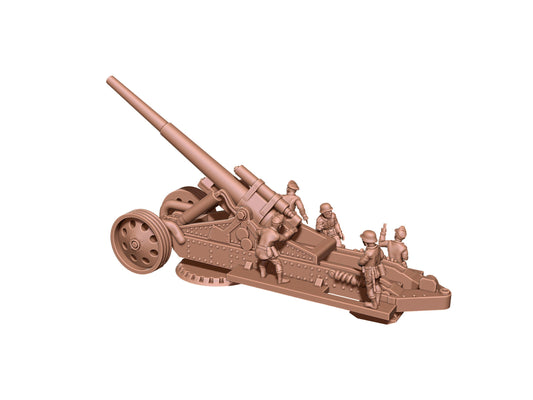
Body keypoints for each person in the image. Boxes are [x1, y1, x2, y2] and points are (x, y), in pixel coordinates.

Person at [255, 214, 297, 284]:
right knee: (277, 263)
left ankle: (263, 275)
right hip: (266, 252)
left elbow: (257, 231)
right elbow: (284, 237)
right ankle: (280, 280)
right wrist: (291, 231)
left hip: (259, 250)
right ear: (279, 226)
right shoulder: (276, 235)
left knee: (263, 262)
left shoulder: (264, 230)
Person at [358, 230, 386, 309]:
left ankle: (374, 304)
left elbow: (361, 262)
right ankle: (377, 301)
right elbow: (382, 256)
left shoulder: (368, 252)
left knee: (369, 287)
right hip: (377, 270)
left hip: (369, 271)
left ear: (366, 241)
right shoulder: (378, 249)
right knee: (377, 284)